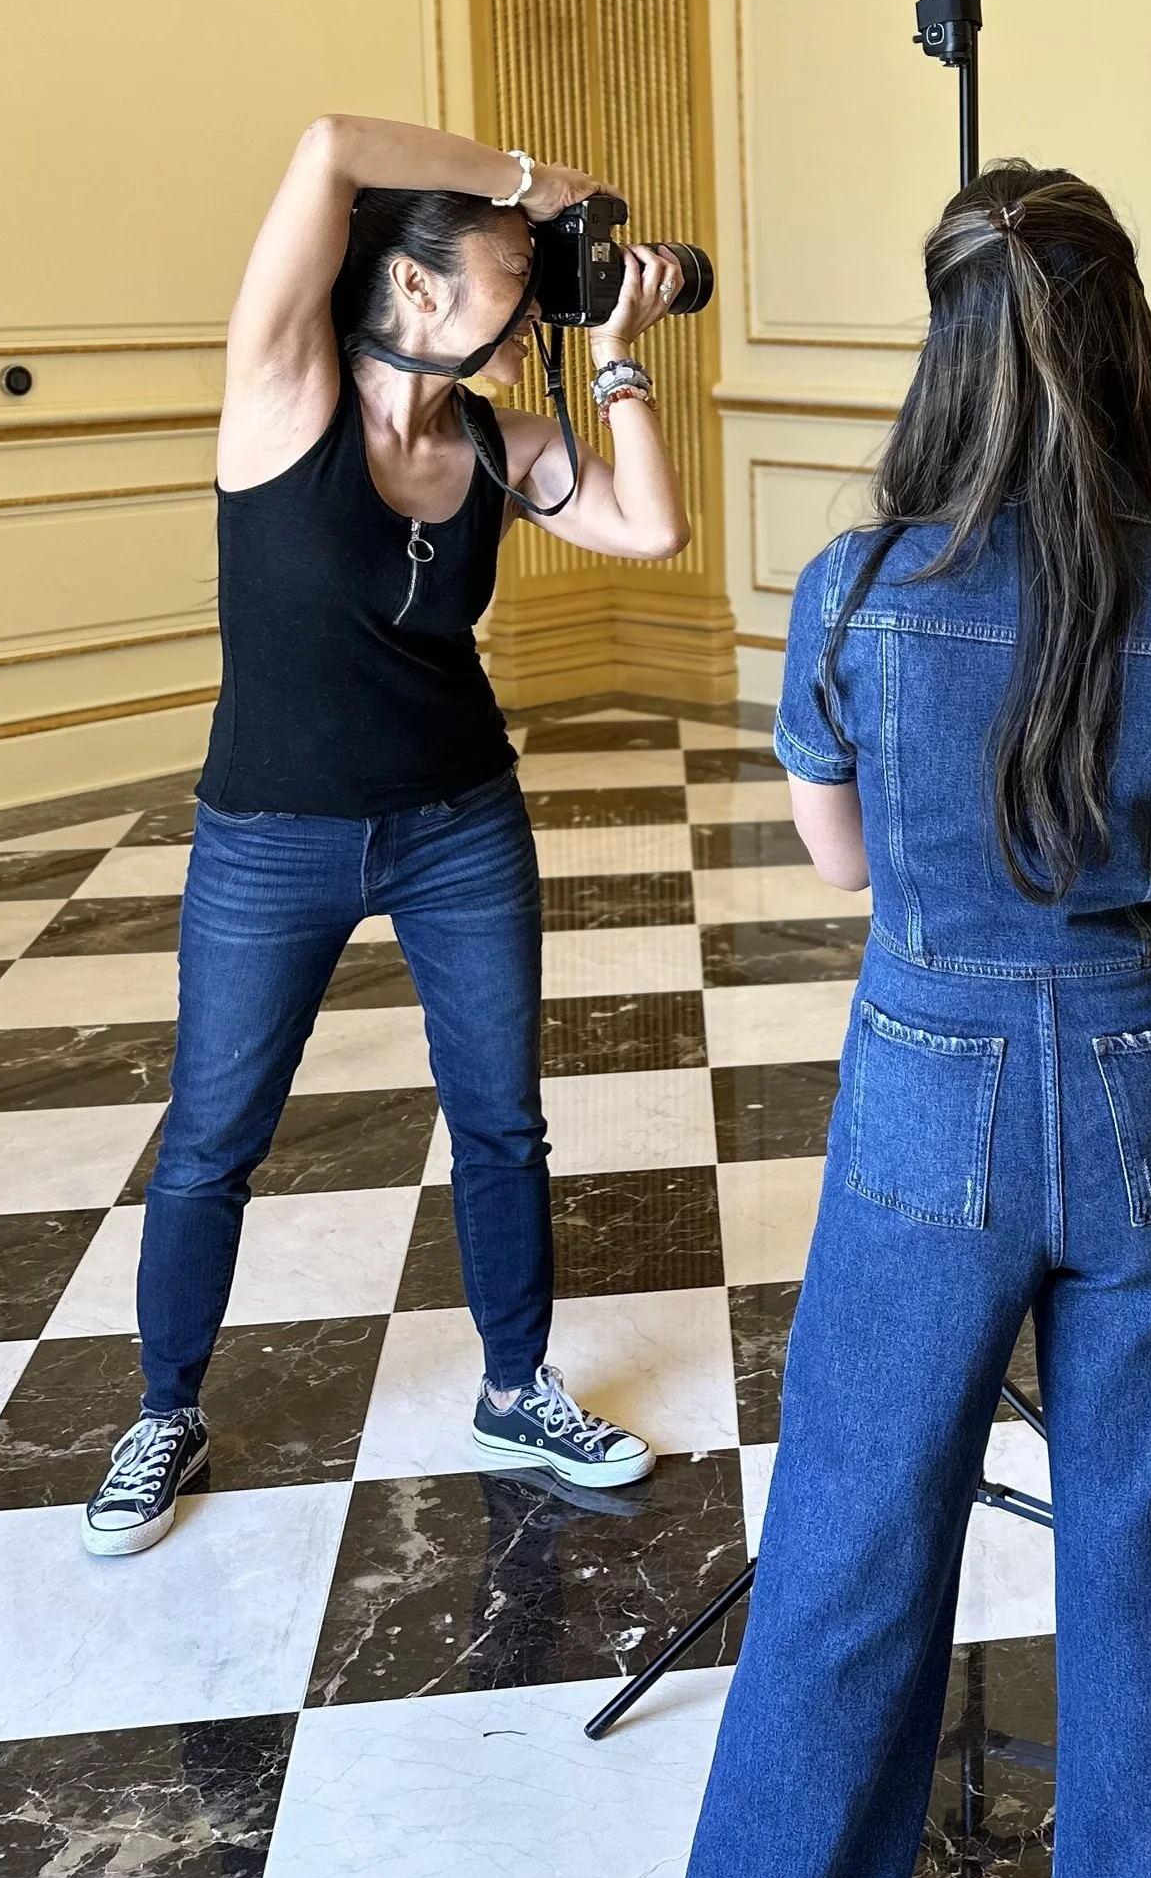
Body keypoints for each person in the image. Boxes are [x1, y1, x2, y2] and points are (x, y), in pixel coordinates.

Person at [653, 160, 1151, 1878]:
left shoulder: (854, 589)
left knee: (853, 1528)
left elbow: (841, 857)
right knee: (1143, 1546)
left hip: (923, 1095)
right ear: (1130, 350)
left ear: (942, 343)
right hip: (1140, 1107)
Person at [82, 116, 695, 1557]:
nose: (534, 285)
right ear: (417, 290)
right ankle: (165, 1408)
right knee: (214, 1138)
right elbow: (323, 147)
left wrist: (616, 361)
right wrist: (535, 183)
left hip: (459, 824)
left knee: (501, 1118)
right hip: (271, 839)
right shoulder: (282, 396)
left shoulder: (494, 437)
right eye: (508, 269)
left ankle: (516, 1386)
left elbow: (652, 528)